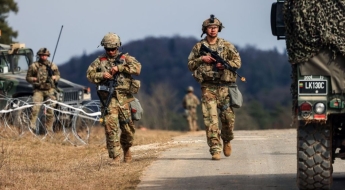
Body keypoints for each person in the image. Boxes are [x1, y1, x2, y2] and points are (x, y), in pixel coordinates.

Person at [187, 15, 242, 160]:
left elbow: (237, 62)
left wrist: (224, 65)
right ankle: (215, 148)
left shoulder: (227, 45)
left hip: (225, 87)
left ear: (219, 29)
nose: (213, 30)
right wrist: (201, 59)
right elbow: (190, 65)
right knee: (211, 120)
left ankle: (227, 140)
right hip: (208, 87)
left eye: (215, 27)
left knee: (227, 118)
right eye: (210, 28)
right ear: (205, 30)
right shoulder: (199, 47)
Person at [86, 32, 142, 164]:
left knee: (128, 129)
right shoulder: (99, 61)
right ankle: (115, 156)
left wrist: (120, 68)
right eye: (108, 49)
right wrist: (101, 75)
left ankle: (126, 149)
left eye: (113, 49)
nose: (111, 51)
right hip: (109, 99)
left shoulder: (125, 59)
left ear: (118, 47)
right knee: (110, 128)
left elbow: (137, 69)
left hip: (125, 99)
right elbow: (89, 75)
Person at [26, 48, 60, 134]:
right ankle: (32, 127)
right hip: (38, 90)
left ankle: (48, 129)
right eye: (42, 55)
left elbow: (58, 75)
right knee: (35, 109)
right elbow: (27, 77)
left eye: (45, 55)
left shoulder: (52, 66)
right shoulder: (34, 66)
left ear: (48, 56)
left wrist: (55, 78)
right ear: (39, 56)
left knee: (50, 110)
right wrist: (33, 79)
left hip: (50, 90)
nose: (44, 57)